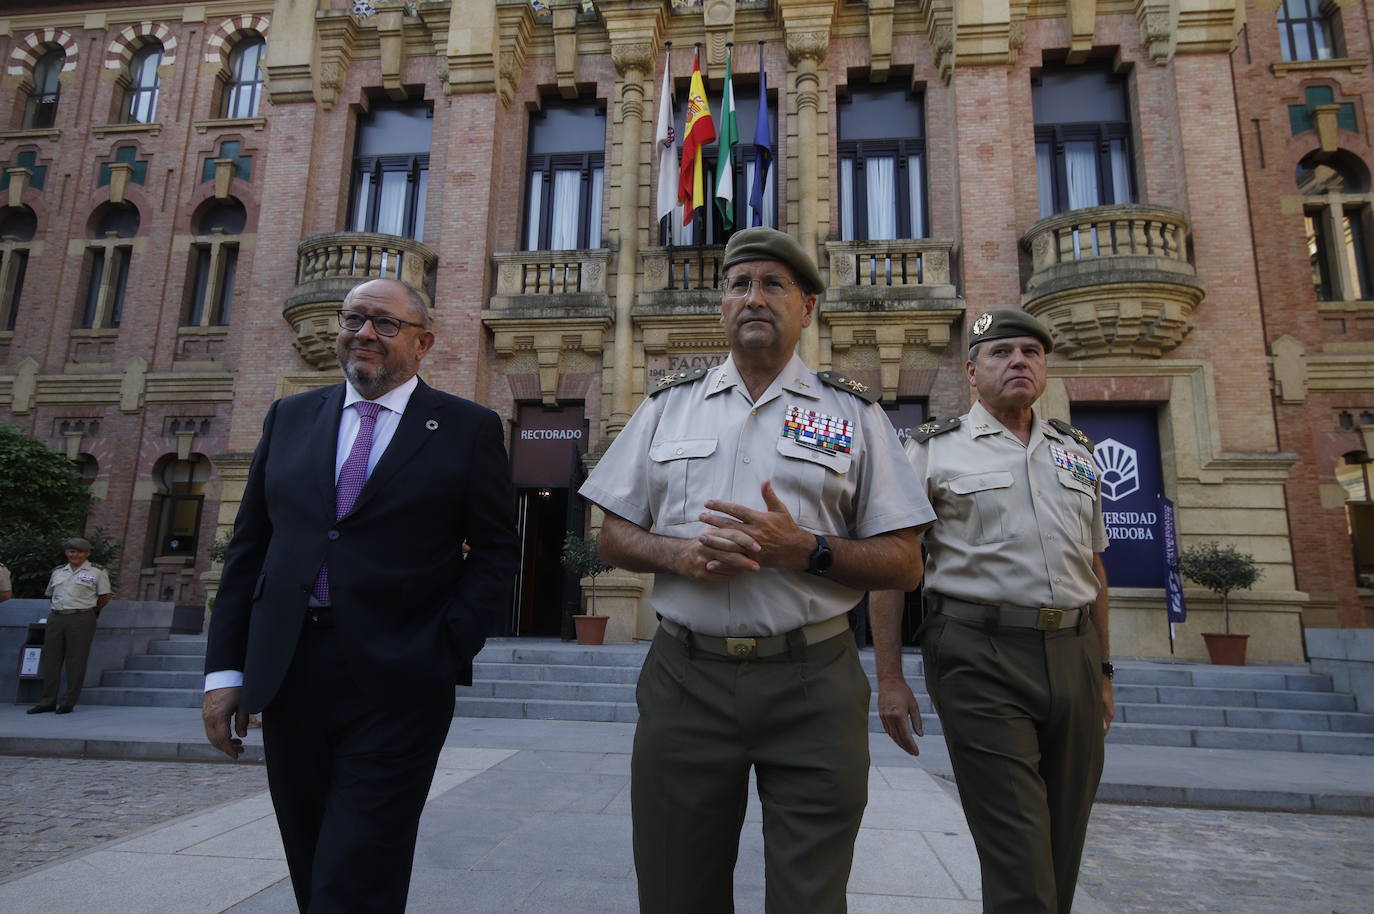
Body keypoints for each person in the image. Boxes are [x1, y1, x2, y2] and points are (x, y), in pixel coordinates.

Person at [579, 226, 935, 913]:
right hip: (686, 679)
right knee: (675, 888)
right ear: (721, 307)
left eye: (775, 285)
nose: (754, 298)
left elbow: (906, 562)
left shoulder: (852, 415)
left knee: (811, 895)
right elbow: (613, 534)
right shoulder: (664, 406)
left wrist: (803, 549)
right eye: (740, 285)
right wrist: (677, 554)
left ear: (807, 309)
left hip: (814, 682)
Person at [202, 278, 518, 913]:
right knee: (310, 851)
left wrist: (444, 646)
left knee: (358, 866)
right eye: (355, 319)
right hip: (290, 673)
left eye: (386, 324)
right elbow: (249, 550)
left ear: (423, 343)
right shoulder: (291, 416)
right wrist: (225, 671)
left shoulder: (467, 429)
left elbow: (496, 552)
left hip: (399, 680)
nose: (365, 333)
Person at [870, 308, 1115, 914]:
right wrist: (891, 678)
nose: (1019, 362)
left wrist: (1103, 673)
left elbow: (1094, 566)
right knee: (1016, 844)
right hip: (980, 652)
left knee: (1064, 836)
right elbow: (893, 569)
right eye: (1002, 352)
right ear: (972, 371)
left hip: (1074, 652)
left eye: (1031, 352)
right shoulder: (932, 450)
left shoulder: (1075, 452)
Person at [28, 537, 111, 714]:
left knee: (76, 661)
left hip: (81, 617)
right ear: (66, 553)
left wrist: (88, 611)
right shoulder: (59, 571)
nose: (75, 555)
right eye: (72, 551)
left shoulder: (97, 572)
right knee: (51, 660)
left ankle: (68, 701)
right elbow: (51, 594)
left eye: (80, 551)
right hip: (57, 616)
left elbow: (104, 597)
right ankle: (47, 701)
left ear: (87, 553)